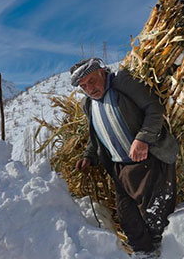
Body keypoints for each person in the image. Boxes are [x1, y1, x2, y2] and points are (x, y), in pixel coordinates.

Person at [71, 57, 178, 257]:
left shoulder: (123, 83)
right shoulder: (88, 104)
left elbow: (154, 109)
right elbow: (96, 136)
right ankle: (144, 254)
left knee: (156, 218)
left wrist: (143, 139)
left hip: (149, 160)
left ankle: (167, 252)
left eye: (92, 80)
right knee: (128, 219)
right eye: (83, 86)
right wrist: (88, 156)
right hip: (119, 169)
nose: (90, 88)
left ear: (102, 72)